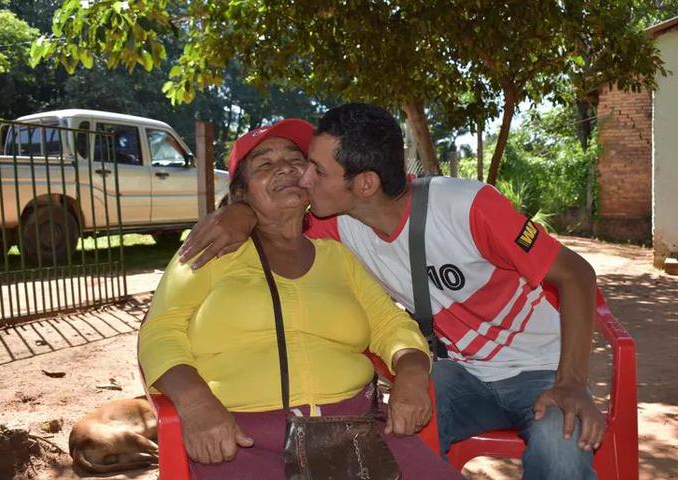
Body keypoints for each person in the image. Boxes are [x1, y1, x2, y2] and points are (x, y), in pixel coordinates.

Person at [179, 103, 606, 480]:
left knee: (561, 452)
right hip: (457, 372)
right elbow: (273, 217)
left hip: (541, 370)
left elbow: (578, 275)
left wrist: (570, 382)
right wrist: (239, 213)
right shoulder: (333, 223)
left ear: (364, 185)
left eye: (318, 170)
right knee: (393, 437)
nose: (303, 179)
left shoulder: (469, 207)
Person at [138, 118, 464, 480]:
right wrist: (196, 404)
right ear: (241, 193)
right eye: (264, 164)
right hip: (241, 438)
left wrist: (414, 372)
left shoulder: (338, 256)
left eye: (296, 160)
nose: (285, 169)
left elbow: (392, 326)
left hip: (358, 432)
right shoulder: (210, 250)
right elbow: (161, 331)